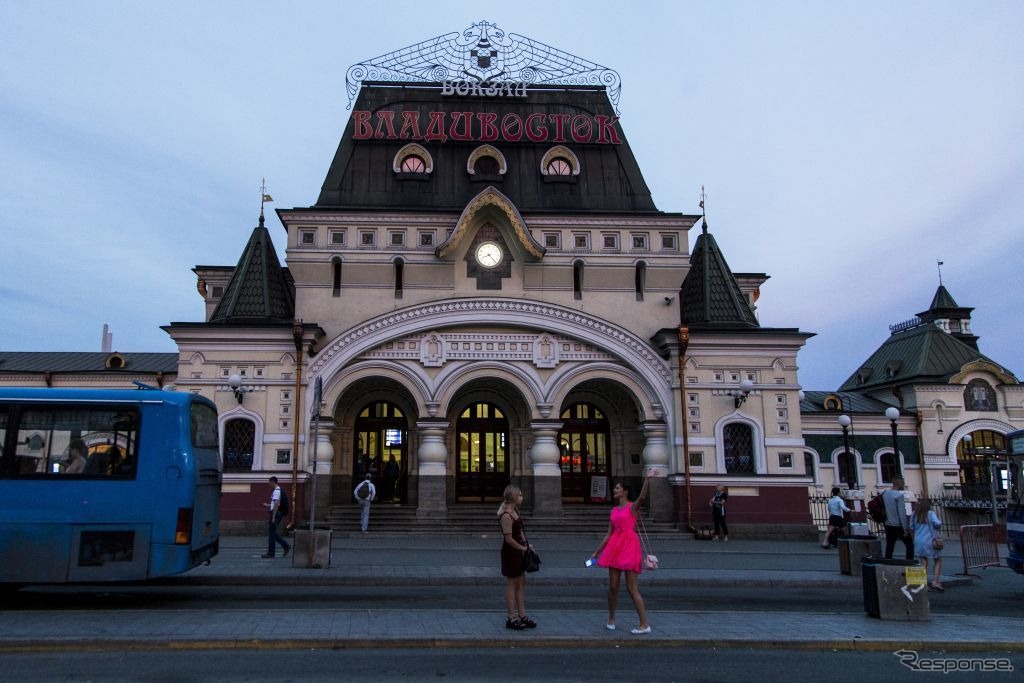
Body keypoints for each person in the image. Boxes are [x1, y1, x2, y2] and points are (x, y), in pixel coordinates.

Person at [591, 472, 653, 634]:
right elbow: (608, 534)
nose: (614, 490)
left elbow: (642, 497)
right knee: (613, 586)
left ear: (625, 491)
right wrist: (596, 552)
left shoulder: (632, 507)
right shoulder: (613, 511)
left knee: (632, 588)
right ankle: (611, 618)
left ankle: (644, 624)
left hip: (630, 547)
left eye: (617, 488)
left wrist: (646, 479)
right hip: (615, 548)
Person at [498, 484, 536, 630]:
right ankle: (511, 617)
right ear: (513, 497)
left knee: (521, 583)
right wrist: (522, 548)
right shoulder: (506, 515)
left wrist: (527, 545)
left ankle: (522, 615)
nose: (522, 497)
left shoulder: (515, 512)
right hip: (511, 554)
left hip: (519, 552)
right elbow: (508, 539)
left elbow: (520, 532)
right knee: (512, 584)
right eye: (520, 495)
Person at [911, 497, 944, 591]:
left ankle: (921, 583)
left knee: (924, 562)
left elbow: (911, 526)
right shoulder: (930, 513)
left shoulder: (914, 514)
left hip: (918, 541)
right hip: (930, 541)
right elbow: (937, 524)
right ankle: (935, 582)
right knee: (938, 560)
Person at [882, 476, 913, 560]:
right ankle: (909, 564)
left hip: (887, 523)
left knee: (890, 545)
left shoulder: (885, 493)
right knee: (909, 545)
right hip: (898, 525)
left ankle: (888, 563)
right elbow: (901, 512)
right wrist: (906, 529)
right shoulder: (899, 496)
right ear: (900, 483)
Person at [261, 476, 290, 558]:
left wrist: (273, 517)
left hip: (276, 514)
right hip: (278, 513)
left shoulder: (276, 491)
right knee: (272, 533)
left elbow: (277, 504)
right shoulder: (279, 490)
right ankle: (285, 546)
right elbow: (276, 504)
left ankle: (271, 553)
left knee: (271, 534)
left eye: (269, 483)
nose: (269, 484)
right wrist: (268, 505)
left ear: (273, 482)